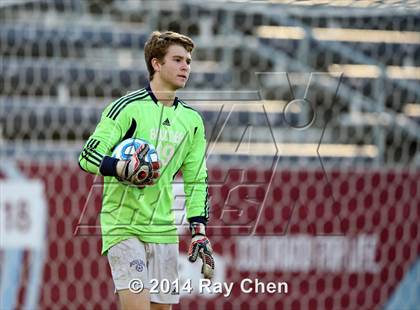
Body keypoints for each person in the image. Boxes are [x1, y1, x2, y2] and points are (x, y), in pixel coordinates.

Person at [78, 30, 214, 310]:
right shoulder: (127, 108)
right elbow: (87, 157)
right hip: (124, 225)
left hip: (163, 229)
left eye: (188, 61)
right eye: (177, 59)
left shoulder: (192, 121)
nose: (185, 66)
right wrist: (121, 167)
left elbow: (196, 180)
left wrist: (198, 231)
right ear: (156, 64)